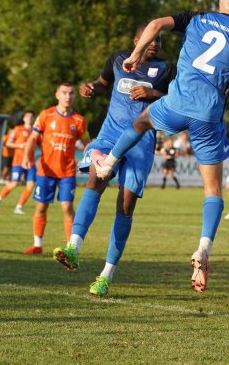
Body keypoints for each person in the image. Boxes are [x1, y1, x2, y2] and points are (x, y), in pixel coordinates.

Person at [93, 0, 229, 293]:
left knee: (141, 122)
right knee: (213, 189)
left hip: (177, 104)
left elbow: (155, 25)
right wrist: (220, 89)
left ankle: (109, 161)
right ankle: (203, 249)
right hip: (208, 114)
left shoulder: (195, 18)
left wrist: (136, 55)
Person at [51, 27, 174, 297]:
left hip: (141, 142)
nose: (155, 44)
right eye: (150, 39)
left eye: (159, 40)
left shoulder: (166, 68)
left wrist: (152, 95)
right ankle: (73, 247)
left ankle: (106, 275)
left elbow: (179, 99)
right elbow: (102, 84)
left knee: (125, 205)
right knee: (95, 179)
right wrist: (91, 88)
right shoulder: (118, 59)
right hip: (110, 135)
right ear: (136, 41)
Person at [21, 82, 90, 255]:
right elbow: (32, 139)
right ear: (57, 94)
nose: (68, 96)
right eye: (64, 93)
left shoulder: (79, 120)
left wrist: (87, 160)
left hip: (67, 172)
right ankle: (37, 244)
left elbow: (88, 144)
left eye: (71, 93)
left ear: (74, 96)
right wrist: (26, 157)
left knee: (67, 208)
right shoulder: (46, 115)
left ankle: (71, 248)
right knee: (41, 207)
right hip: (45, 171)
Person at [0, 111, 37, 213]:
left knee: (30, 186)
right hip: (18, 162)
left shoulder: (36, 131)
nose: (29, 118)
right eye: (27, 116)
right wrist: (19, 145)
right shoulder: (18, 129)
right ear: (24, 118)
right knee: (14, 183)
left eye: (31, 117)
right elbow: (8, 143)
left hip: (31, 163)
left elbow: (40, 144)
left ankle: (19, 207)